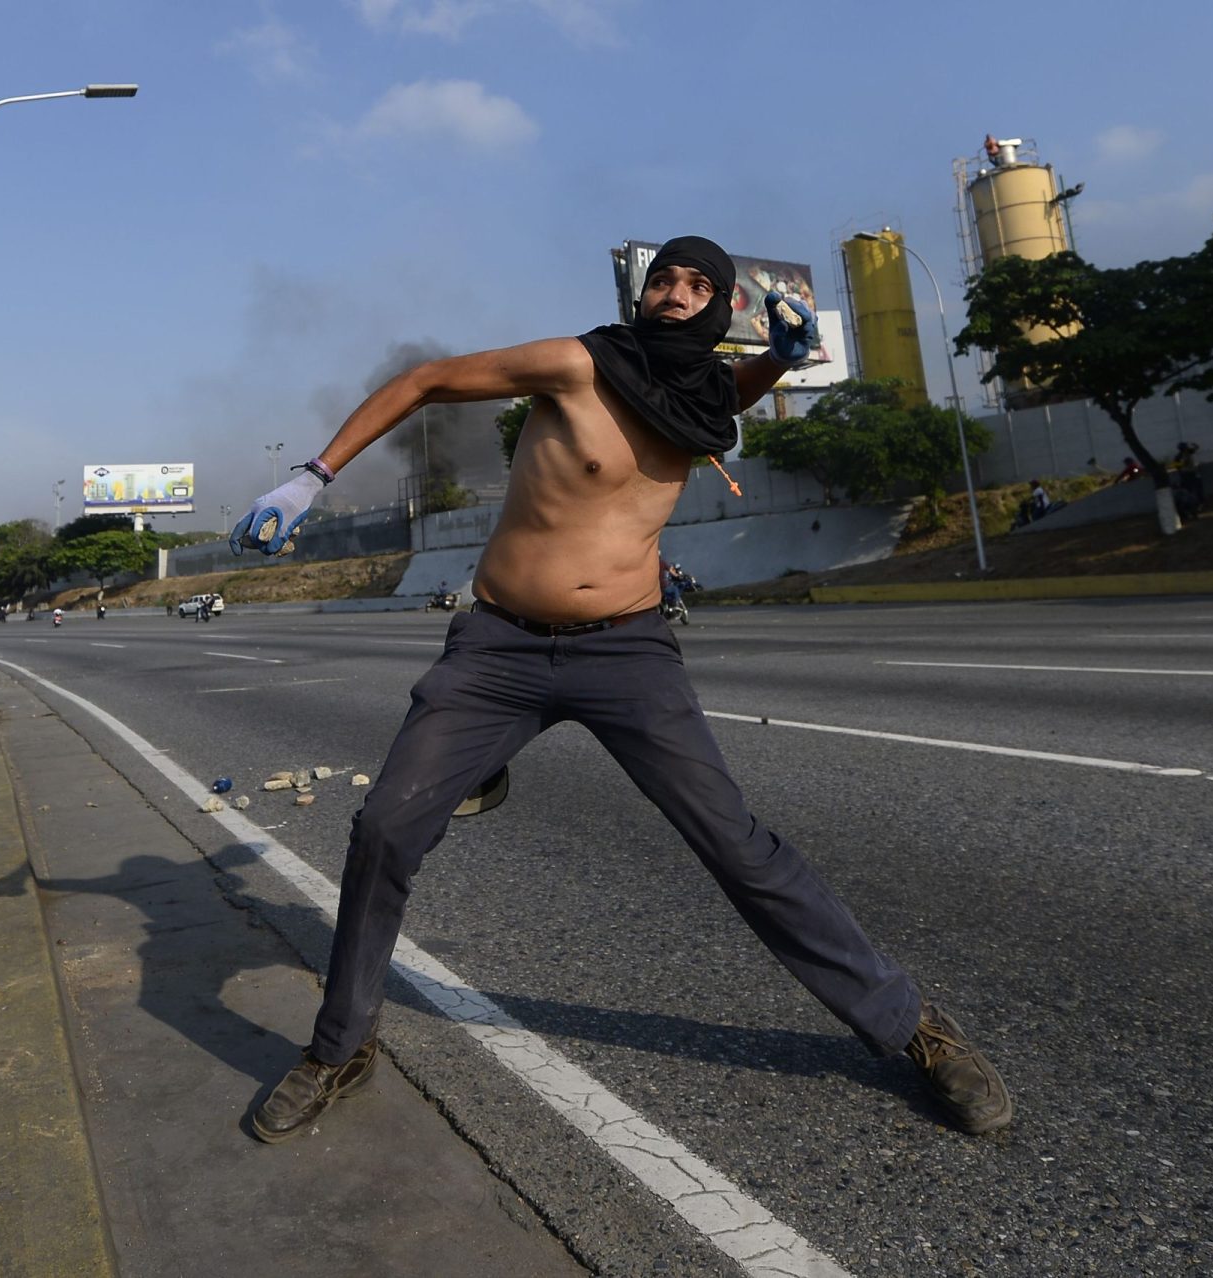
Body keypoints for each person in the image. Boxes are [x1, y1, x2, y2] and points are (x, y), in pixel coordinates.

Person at [228, 235, 1012, 1143]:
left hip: (628, 652)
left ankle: (912, 1027)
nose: (675, 294)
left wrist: (779, 363)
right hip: (499, 652)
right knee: (385, 828)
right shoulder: (577, 365)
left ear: (717, 307)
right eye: (664, 280)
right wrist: (312, 476)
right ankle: (340, 1047)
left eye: (697, 285)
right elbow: (431, 379)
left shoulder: (706, 394)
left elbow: (717, 400)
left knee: (737, 844)